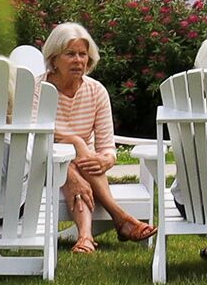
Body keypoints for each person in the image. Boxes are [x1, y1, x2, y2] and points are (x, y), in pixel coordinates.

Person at [39, 22, 149, 251]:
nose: (78, 60)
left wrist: (106, 160)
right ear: (54, 58)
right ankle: (120, 218)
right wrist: (76, 144)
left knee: (83, 161)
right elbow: (36, 137)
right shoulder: (37, 89)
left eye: (83, 54)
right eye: (70, 54)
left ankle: (85, 237)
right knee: (74, 161)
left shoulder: (96, 91)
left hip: (85, 166)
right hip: (43, 165)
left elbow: (107, 145)